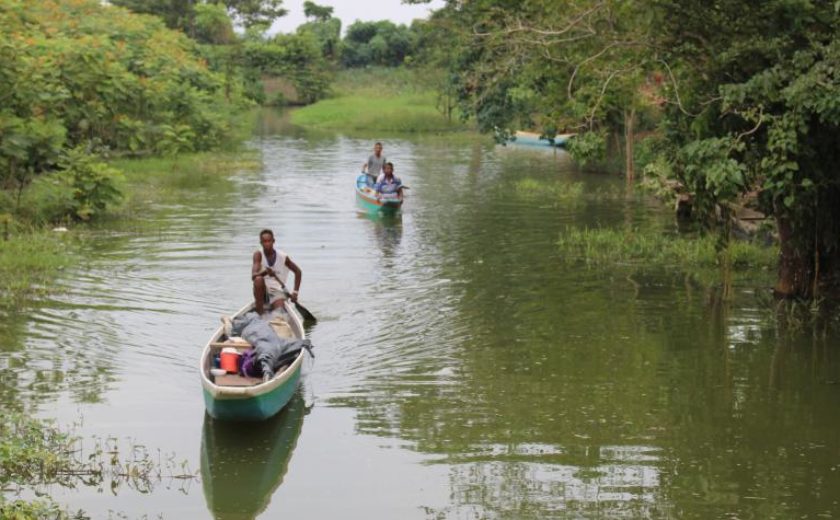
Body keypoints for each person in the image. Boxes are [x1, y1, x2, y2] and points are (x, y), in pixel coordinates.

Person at [252, 229, 302, 315]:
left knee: (279, 312)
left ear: (273, 241)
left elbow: (298, 272)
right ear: (261, 243)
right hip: (262, 291)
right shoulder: (258, 255)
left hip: (277, 290)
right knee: (258, 279)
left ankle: (276, 311)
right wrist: (265, 272)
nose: (267, 244)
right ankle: (260, 313)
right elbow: (253, 276)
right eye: (264, 241)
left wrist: (295, 292)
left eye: (269, 241)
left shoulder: (283, 257)